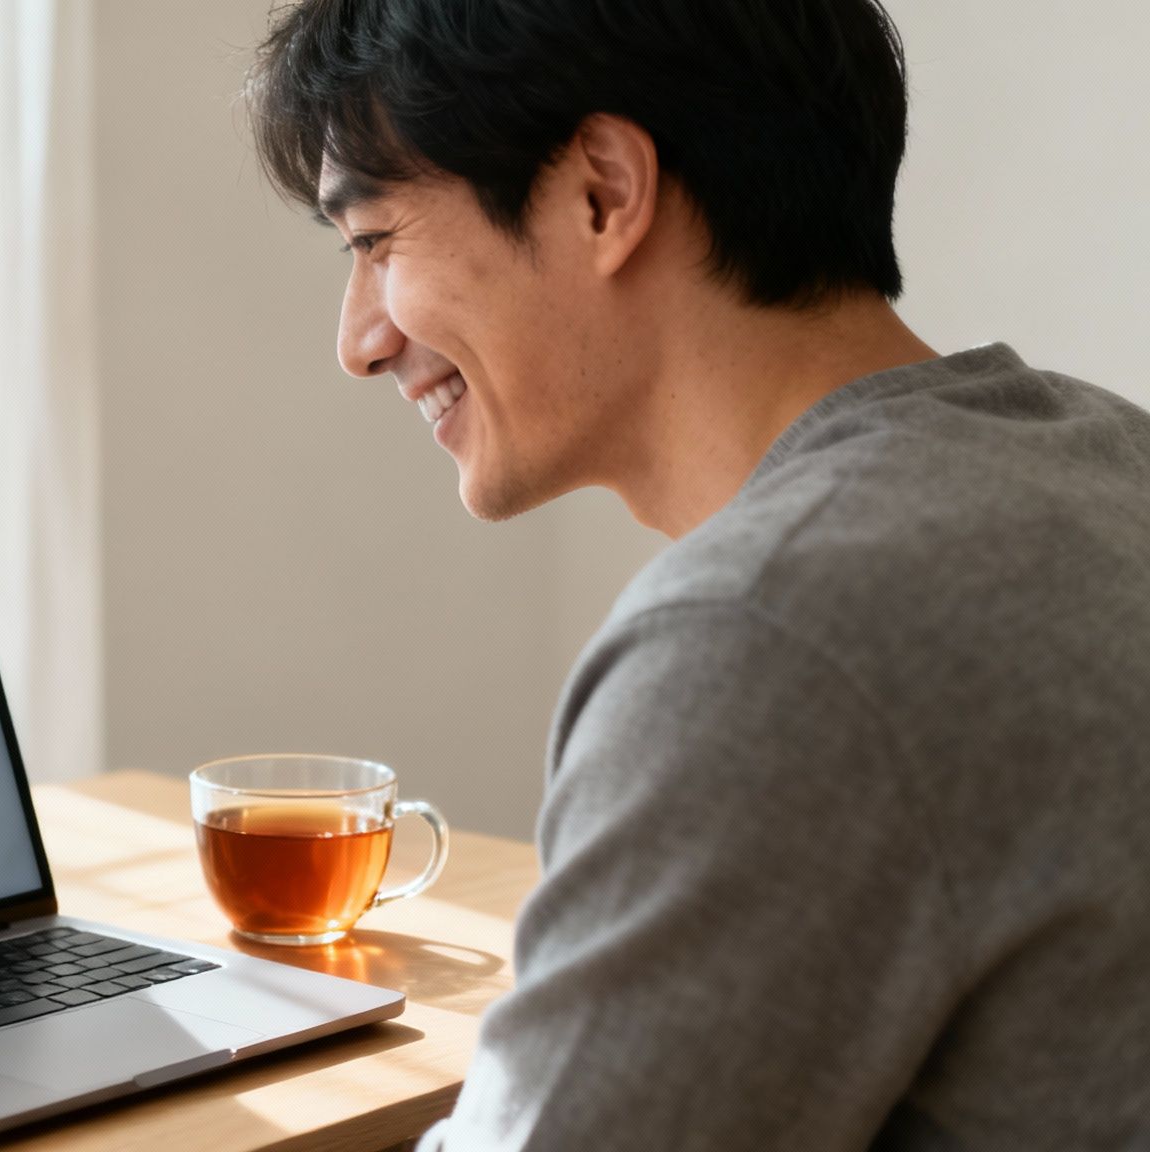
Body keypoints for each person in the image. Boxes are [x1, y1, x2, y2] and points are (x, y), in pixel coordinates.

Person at [245, 1, 1150, 1148]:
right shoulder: (1111, 456)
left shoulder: (767, 635)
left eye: (375, 242)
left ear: (601, 195)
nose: (358, 339)